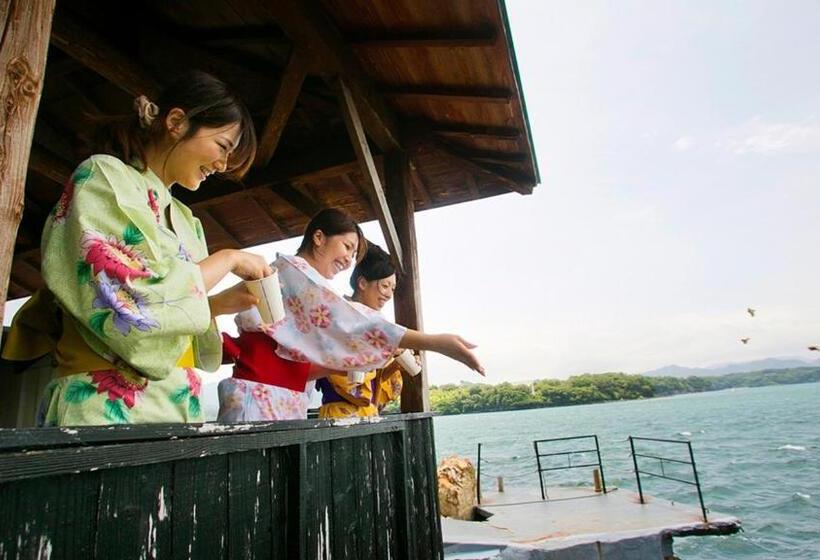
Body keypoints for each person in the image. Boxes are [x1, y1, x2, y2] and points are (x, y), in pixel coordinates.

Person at [3, 70, 270, 426]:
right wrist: (228, 259)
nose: (222, 166)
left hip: (177, 402)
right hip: (103, 404)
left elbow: (168, 308)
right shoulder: (103, 177)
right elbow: (128, 301)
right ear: (176, 122)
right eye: (222, 147)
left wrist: (214, 306)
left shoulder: (187, 220)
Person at [217, 208, 484, 422]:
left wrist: (366, 360)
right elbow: (350, 319)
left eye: (353, 254)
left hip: (283, 395)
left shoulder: (306, 283)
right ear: (319, 238)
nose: (349, 259)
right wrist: (434, 342)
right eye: (347, 246)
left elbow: (299, 365)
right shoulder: (293, 272)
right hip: (260, 394)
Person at [316, 243, 409, 419]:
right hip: (339, 414)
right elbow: (348, 382)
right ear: (362, 283)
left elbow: (377, 390)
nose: (389, 294)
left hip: (369, 415)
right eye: (384, 286)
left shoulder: (375, 326)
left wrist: (396, 363)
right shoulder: (339, 319)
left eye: (392, 288)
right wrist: (386, 355)